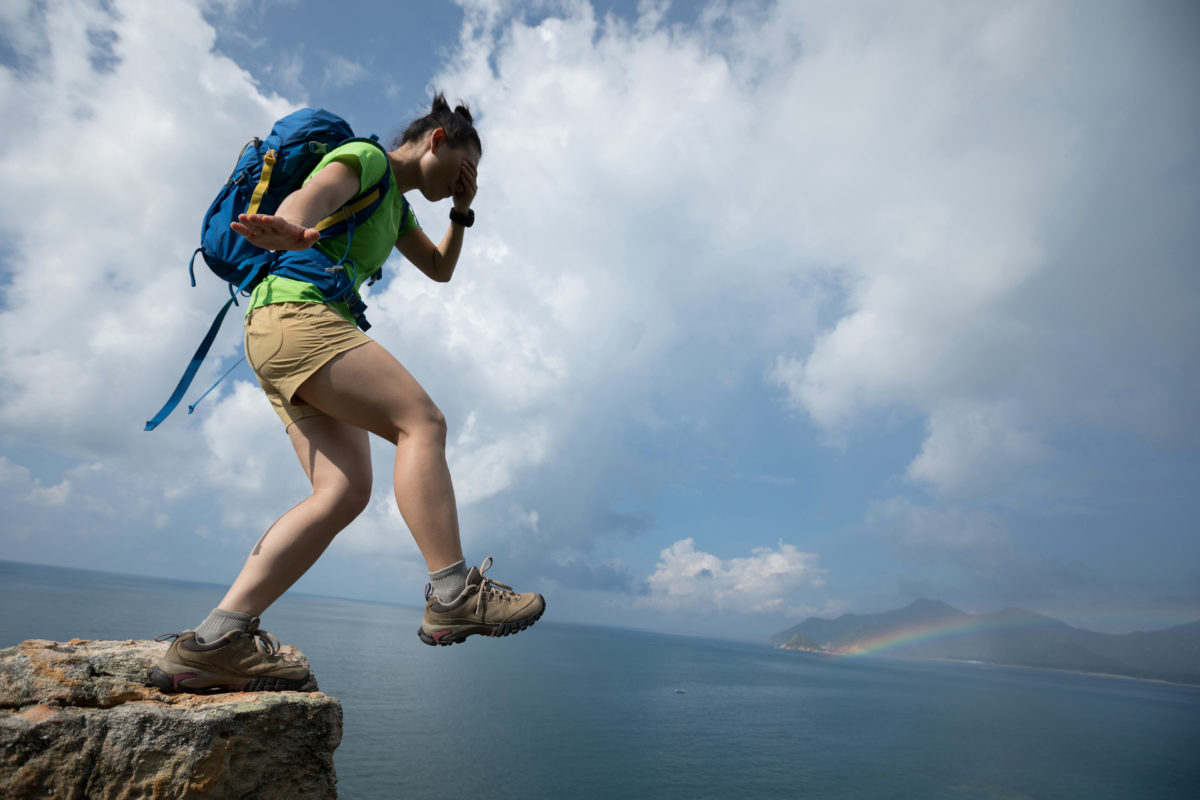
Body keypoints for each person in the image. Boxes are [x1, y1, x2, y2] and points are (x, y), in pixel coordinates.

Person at [150, 94, 545, 693]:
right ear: (437, 139)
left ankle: (213, 641)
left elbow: (439, 269)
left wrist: (462, 211)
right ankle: (453, 592)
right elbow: (313, 197)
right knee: (423, 422)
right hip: (298, 316)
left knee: (341, 492)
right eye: (467, 166)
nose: (467, 179)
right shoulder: (366, 160)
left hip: (279, 333)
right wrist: (290, 225)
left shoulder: (400, 210)